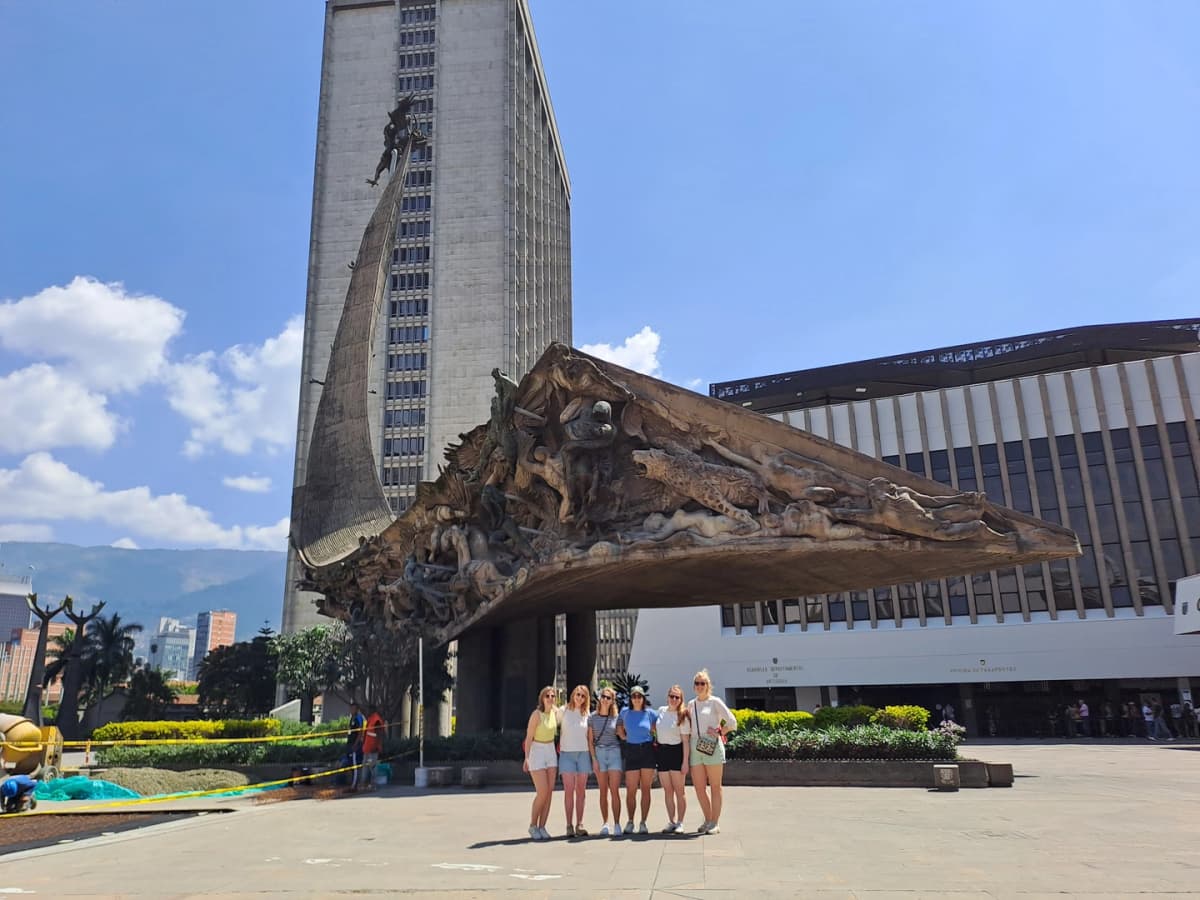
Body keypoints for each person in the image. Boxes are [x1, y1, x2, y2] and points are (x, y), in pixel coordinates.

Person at [689, 669, 737, 835]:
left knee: (715, 786)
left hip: (712, 745)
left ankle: (715, 822)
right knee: (699, 787)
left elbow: (732, 721)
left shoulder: (715, 702)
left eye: (703, 683)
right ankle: (708, 819)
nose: (700, 686)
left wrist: (720, 732)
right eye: (697, 683)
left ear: (708, 685)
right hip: (696, 746)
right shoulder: (691, 704)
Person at [616, 685, 659, 835]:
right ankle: (630, 821)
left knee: (646, 788)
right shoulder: (625, 712)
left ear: (643, 698)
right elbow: (619, 726)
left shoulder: (650, 713)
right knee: (631, 790)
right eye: (634, 696)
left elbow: (656, 728)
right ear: (630, 698)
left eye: (639, 696)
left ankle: (643, 822)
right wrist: (623, 736)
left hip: (646, 750)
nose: (636, 699)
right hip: (632, 750)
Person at [522, 685, 561, 841]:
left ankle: (542, 826)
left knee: (550, 791)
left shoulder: (555, 713)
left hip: (550, 750)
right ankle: (533, 825)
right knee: (542, 792)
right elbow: (529, 738)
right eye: (547, 696)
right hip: (537, 750)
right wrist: (527, 757)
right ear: (542, 698)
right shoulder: (536, 715)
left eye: (552, 696)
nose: (550, 698)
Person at [655, 684, 691, 833]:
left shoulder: (682, 715)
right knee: (667, 791)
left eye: (677, 697)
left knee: (679, 791)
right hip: (662, 753)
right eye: (672, 696)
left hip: (676, 752)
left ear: (681, 699)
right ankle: (671, 821)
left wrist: (685, 762)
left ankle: (680, 822)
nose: (674, 699)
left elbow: (685, 742)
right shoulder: (661, 711)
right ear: (667, 697)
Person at [558, 684, 592, 838]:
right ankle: (569, 825)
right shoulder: (563, 710)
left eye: (583, 695)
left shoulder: (587, 714)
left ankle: (580, 824)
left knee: (581, 791)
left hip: (583, 754)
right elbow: (550, 723)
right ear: (573, 695)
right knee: (568, 790)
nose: (579, 697)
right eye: (577, 694)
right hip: (567, 754)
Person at [589, 686, 623, 838]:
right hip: (600, 753)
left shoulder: (617, 717)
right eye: (603, 696)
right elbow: (590, 741)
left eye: (608, 698)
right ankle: (605, 823)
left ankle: (617, 823)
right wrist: (594, 759)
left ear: (612, 701)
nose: (605, 699)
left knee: (614, 790)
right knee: (603, 790)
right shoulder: (592, 717)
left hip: (614, 752)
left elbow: (622, 735)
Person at [361, 705, 386, 789]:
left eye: (368, 709)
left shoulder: (376, 720)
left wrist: (377, 746)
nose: (367, 711)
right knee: (365, 766)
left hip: (373, 749)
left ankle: (374, 784)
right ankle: (364, 784)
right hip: (367, 748)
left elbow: (380, 734)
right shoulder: (370, 719)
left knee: (372, 767)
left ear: (372, 710)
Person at [347, 702, 367, 791]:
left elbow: (360, 732)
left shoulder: (359, 718)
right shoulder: (351, 718)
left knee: (355, 765)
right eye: (351, 709)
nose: (351, 710)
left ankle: (354, 785)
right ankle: (352, 783)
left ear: (357, 709)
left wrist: (356, 743)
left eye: (353, 709)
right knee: (351, 764)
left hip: (356, 744)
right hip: (350, 743)